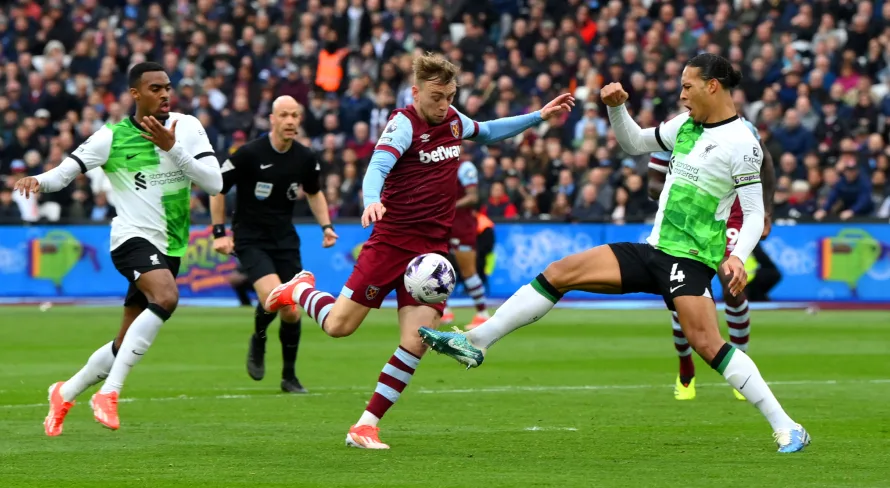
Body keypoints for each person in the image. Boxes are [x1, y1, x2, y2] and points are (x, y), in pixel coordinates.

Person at [419, 54, 810, 453]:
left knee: (708, 344)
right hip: (653, 250)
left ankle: (788, 426)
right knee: (559, 272)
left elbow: (755, 210)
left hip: (689, 259)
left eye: (687, 86)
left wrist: (738, 256)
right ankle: (478, 341)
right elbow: (635, 142)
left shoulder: (743, 142)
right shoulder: (686, 125)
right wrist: (617, 108)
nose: (681, 94)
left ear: (713, 86)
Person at [264, 52, 574, 449]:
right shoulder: (403, 124)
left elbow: (490, 130)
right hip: (391, 242)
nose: (443, 104)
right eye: (435, 96)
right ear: (416, 92)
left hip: (429, 257)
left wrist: (538, 116)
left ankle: (365, 425)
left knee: (416, 342)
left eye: (449, 95)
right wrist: (371, 200)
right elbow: (376, 166)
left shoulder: (453, 120)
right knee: (339, 326)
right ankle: (300, 289)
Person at [17, 62, 222, 435]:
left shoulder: (187, 127)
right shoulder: (111, 137)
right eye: (155, 88)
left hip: (171, 245)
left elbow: (214, 183)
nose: (164, 94)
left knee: (125, 341)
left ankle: (66, 391)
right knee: (167, 296)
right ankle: (109, 394)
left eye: (167, 88)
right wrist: (37, 181)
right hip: (130, 238)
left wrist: (173, 148)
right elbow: (64, 173)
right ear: (135, 94)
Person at [210, 96, 337, 394]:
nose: (291, 121)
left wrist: (327, 227)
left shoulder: (305, 157)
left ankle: (289, 377)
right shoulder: (249, 154)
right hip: (251, 238)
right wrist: (219, 232)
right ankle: (259, 337)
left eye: (295, 115)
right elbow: (217, 187)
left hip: (285, 240)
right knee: (272, 297)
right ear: (272, 119)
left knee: (292, 310)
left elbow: (315, 192)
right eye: (284, 115)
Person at [648, 115, 776, 401]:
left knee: (732, 281)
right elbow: (652, 184)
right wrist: (685, 189)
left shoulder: (744, 129)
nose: (686, 97)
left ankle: (740, 368)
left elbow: (766, 163)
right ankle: (685, 369)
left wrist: (767, 208)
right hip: (686, 218)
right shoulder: (676, 129)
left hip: (730, 211)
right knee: (683, 294)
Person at [441, 159, 490, 329]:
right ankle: (444, 309)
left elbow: (472, 196)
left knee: (468, 270)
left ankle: (482, 313)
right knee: (438, 267)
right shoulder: (439, 164)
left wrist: (449, 206)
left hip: (462, 226)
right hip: (442, 224)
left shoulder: (465, 167)